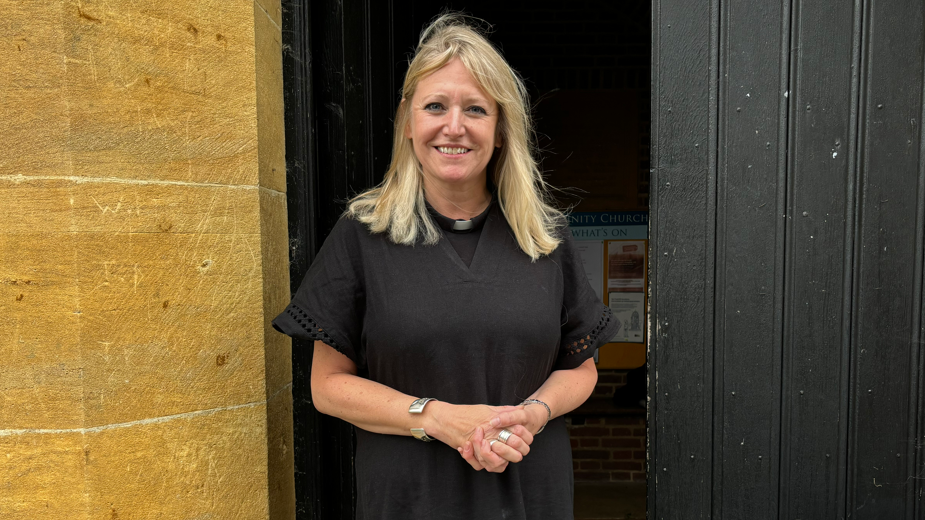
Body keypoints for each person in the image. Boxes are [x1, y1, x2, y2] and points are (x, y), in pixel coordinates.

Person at [272, 13, 620, 519]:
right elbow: (326, 388)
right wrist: (437, 418)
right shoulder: (363, 235)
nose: (453, 126)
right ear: (409, 124)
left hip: (527, 490)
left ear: (500, 131)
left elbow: (581, 368)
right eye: (435, 106)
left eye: (475, 109)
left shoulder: (545, 238)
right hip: (410, 499)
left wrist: (532, 414)